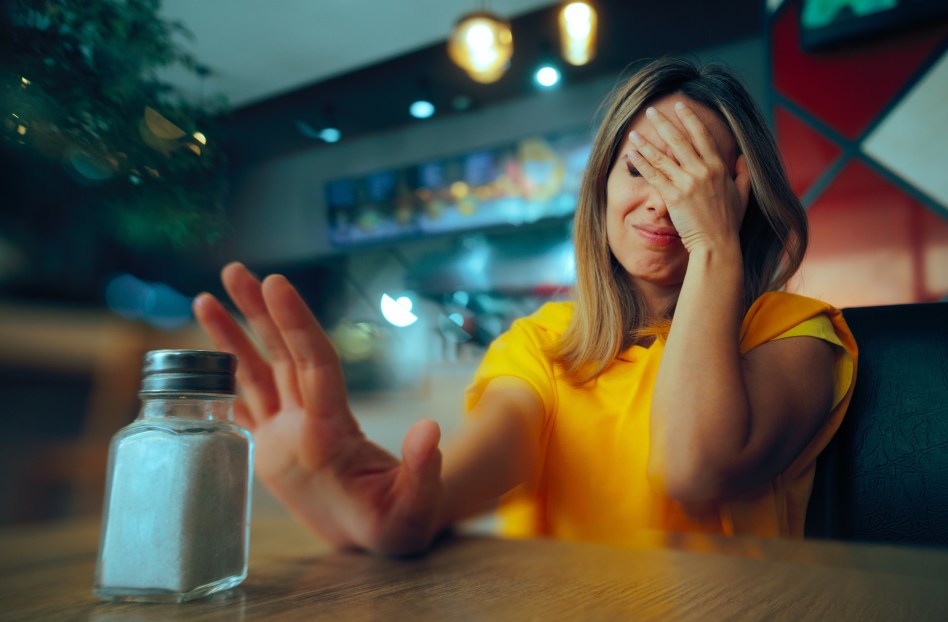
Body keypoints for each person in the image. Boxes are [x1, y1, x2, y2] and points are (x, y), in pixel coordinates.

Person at [192, 57, 857, 556]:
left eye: (694, 175)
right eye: (640, 168)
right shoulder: (544, 341)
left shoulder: (796, 334)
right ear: (598, 189)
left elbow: (693, 466)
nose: (662, 200)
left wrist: (714, 244)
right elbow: (494, 450)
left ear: (743, 193)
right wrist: (405, 504)